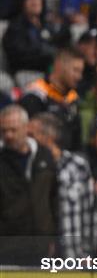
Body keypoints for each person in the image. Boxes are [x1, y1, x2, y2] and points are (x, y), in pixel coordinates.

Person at [28, 112, 97, 259]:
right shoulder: (30, 165)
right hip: (40, 253)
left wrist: (87, 250)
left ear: (49, 137)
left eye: (32, 135)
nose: (28, 140)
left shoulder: (77, 165)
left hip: (73, 252)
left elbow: (89, 209)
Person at [0, 104, 57, 265]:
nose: (8, 135)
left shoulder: (44, 156)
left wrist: (55, 237)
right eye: (4, 131)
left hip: (42, 244)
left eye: (13, 130)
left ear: (26, 128)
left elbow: (54, 198)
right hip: (7, 246)